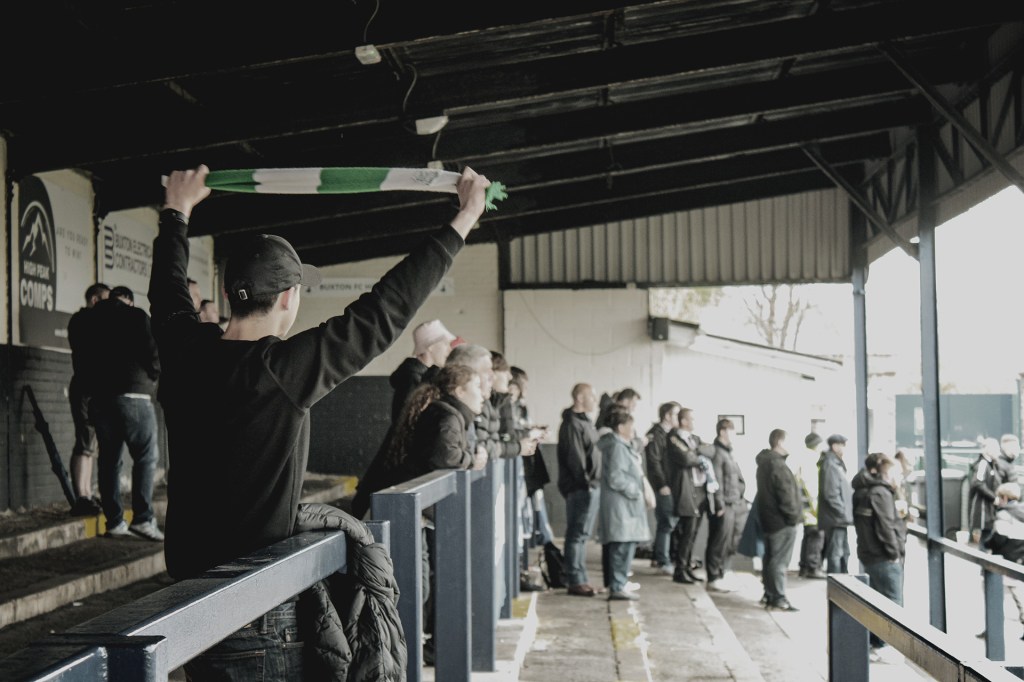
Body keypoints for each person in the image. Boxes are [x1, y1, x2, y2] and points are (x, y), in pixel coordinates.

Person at [150, 164, 490, 680]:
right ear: (289, 298)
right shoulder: (283, 371)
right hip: (259, 603)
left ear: (226, 295)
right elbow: (386, 310)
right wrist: (463, 219)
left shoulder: (184, 352)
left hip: (189, 603)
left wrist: (176, 214)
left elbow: (167, 293)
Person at [88, 285, 163, 541]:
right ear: (128, 301)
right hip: (134, 395)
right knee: (145, 457)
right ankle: (142, 518)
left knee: (109, 460)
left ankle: (115, 522)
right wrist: (152, 376)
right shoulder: (136, 316)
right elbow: (153, 352)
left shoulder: (91, 321)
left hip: (100, 398)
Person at [851, 452, 907, 655]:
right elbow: (885, 526)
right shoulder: (880, 493)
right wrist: (894, 553)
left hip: (869, 554)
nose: (899, 476)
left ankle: (876, 642)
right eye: (897, 472)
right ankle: (886, 646)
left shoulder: (862, 490)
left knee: (877, 599)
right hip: (883, 556)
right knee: (892, 602)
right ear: (887, 472)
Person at [66, 282, 110, 516]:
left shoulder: (90, 322)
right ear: (95, 300)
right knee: (84, 440)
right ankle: (81, 496)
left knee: (90, 442)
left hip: (93, 389)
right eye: (105, 300)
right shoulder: (82, 321)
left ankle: (87, 493)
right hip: (84, 388)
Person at [598, 407, 651, 601]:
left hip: (624, 505)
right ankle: (617, 585)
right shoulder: (618, 447)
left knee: (623, 545)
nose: (633, 429)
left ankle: (618, 584)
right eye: (630, 425)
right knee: (621, 546)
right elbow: (616, 477)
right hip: (622, 505)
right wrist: (636, 491)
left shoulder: (620, 445)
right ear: (621, 427)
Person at [557, 382, 601, 596]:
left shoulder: (585, 422)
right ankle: (575, 579)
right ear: (580, 399)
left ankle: (581, 577)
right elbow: (576, 459)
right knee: (577, 534)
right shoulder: (572, 424)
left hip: (590, 486)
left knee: (582, 535)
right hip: (581, 487)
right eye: (592, 397)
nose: (595, 401)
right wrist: (587, 484)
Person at [756, 429, 801, 611]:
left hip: (769, 519)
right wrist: (793, 517)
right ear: (780, 442)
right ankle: (778, 598)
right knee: (779, 561)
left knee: (771, 559)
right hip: (781, 521)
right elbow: (786, 494)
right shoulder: (777, 465)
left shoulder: (765, 463)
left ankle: (770, 594)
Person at [705, 418, 746, 592]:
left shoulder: (729, 453)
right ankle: (713, 576)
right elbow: (717, 481)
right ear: (722, 431)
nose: (734, 435)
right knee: (718, 540)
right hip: (724, 505)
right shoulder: (717, 453)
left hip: (734, 502)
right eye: (732, 431)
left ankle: (721, 573)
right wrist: (719, 505)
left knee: (729, 542)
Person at [389, 319, 457, 423]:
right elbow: (406, 423)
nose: (449, 349)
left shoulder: (423, 376)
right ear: (431, 346)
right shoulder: (411, 379)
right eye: (445, 344)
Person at [668, 407, 707, 584]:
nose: (694, 422)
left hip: (699, 490)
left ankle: (687, 566)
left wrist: (697, 455)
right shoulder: (674, 437)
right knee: (686, 531)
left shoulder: (695, 439)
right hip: (684, 490)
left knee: (694, 532)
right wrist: (698, 457)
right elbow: (685, 459)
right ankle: (680, 568)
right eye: (692, 419)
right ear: (684, 421)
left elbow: (708, 452)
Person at [645, 402, 681, 575]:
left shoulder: (671, 435)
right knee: (666, 522)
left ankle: (661, 557)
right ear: (667, 416)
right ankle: (662, 560)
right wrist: (662, 484)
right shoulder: (656, 435)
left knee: (670, 523)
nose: (679, 419)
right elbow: (654, 462)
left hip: (672, 485)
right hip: (663, 486)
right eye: (676, 415)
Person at [818, 434, 853, 574]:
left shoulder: (835, 463)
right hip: (836, 518)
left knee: (843, 552)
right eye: (843, 445)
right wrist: (843, 512)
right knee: (836, 553)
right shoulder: (831, 464)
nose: (844, 448)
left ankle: (842, 584)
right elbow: (831, 493)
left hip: (838, 518)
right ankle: (837, 585)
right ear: (835, 446)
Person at [969, 437, 1011, 547]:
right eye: (996, 449)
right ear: (989, 449)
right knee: (985, 536)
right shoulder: (983, 464)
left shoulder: (991, 464)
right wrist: (994, 498)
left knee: (986, 535)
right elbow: (978, 483)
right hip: (983, 507)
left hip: (988, 507)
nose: (998, 452)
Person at [796, 432, 826, 579]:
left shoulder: (803, 458)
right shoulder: (810, 459)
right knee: (815, 537)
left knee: (808, 536)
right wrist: (817, 509)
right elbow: (811, 487)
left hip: (805, 508)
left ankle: (804, 567)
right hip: (811, 509)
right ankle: (813, 568)